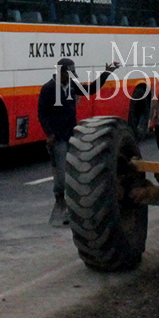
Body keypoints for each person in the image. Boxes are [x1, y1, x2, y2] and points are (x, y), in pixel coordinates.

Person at [38, 57, 120, 227]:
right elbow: (42, 114)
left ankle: (71, 209)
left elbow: (90, 89)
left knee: (74, 174)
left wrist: (106, 73)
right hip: (58, 138)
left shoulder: (72, 86)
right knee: (61, 176)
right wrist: (49, 134)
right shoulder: (48, 88)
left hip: (72, 136)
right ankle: (60, 203)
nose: (71, 78)